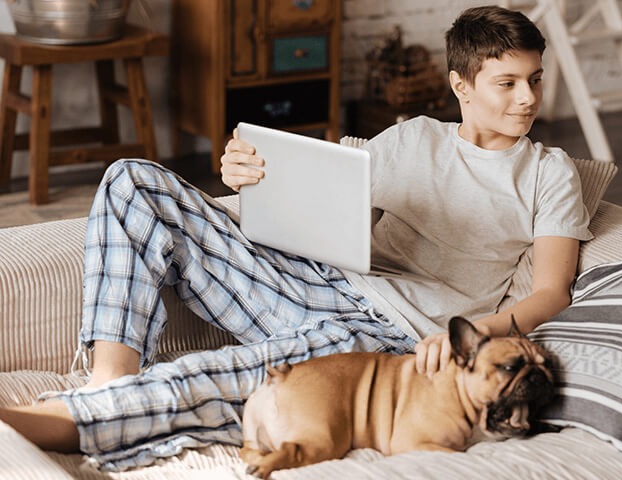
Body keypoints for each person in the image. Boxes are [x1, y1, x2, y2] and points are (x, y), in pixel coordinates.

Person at [0, 5, 591, 472]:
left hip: (385, 337)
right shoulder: (413, 138)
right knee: (132, 180)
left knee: (213, 378)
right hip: (319, 283)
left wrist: (478, 332)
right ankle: (110, 377)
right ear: (461, 87)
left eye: (535, 80)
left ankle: (44, 423)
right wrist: (247, 179)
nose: (528, 98)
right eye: (507, 83)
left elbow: (551, 293)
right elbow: (321, 197)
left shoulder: (547, 170)